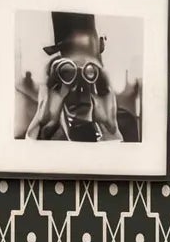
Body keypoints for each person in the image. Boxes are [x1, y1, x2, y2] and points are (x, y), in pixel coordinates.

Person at [23, 13, 138, 144]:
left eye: (89, 72)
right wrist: (43, 126)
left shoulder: (125, 124)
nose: (80, 88)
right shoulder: (44, 133)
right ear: (55, 78)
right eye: (68, 73)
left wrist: (110, 130)